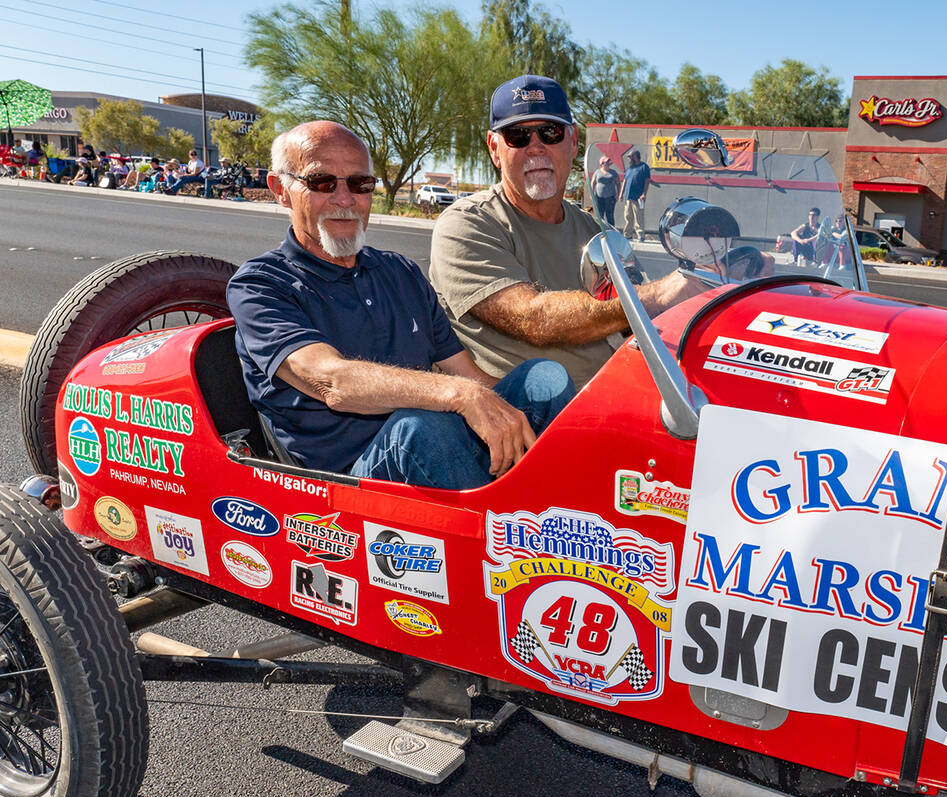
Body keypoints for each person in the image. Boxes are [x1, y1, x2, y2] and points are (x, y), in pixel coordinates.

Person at [226, 120, 574, 490]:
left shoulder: (400, 272)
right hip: (345, 484)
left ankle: (564, 500)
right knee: (420, 428)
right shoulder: (260, 284)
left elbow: (469, 376)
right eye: (322, 182)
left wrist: (514, 410)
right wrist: (461, 395)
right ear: (281, 190)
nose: (345, 199)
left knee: (545, 378)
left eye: (360, 184)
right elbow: (334, 382)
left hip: (439, 447)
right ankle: (511, 519)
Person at [428, 74, 702, 389]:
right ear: (494, 149)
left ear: (572, 143)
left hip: (615, 393)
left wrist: (704, 285)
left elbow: (642, 319)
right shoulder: (467, 224)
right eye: (518, 136)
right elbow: (532, 319)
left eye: (550, 132)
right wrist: (658, 295)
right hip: (524, 410)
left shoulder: (595, 230)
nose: (536, 148)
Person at [621, 148, 651, 241]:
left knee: (638, 216)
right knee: (628, 216)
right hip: (628, 196)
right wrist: (621, 194)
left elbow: (647, 180)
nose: (629, 159)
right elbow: (625, 181)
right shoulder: (629, 169)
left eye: (630, 157)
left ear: (636, 156)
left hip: (638, 197)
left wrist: (644, 193)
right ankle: (627, 234)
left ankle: (640, 235)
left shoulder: (644, 167)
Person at [590, 156, 619, 226]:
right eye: (606, 162)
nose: (608, 163)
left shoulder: (613, 172)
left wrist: (618, 193)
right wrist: (591, 193)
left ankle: (611, 230)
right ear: (602, 163)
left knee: (610, 215)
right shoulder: (597, 172)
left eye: (608, 162)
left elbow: (618, 183)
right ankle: (601, 229)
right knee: (600, 215)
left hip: (610, 197)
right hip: (599, 197)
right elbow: (593, 183)